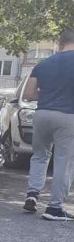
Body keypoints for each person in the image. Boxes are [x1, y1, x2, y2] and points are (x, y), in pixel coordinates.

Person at [22, 29, 74, 221]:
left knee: (39, 155)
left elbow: (28, 93)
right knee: (64, 162)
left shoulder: (43, 63)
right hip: (68, 116)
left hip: (42, 114)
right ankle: (54, 208)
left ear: (60, 44)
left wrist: (49, 97)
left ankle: (32, 194)